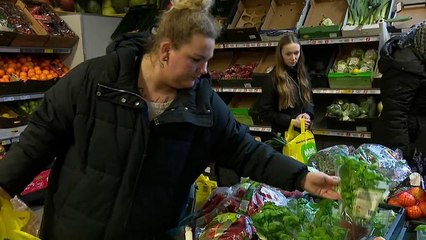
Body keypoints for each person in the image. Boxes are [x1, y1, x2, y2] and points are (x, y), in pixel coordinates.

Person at [0, 1, 340, 239]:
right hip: (75, 231)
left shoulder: (204, 104)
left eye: (208, 60)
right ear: (165, 51)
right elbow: (36, 143)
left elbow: (245, 151)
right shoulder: (94, 81)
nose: (205, 70)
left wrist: (302, 177)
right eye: (196, 60)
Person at [372, 21, 426, 174]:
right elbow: (395, 115)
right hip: (404, 139)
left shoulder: (420, 53)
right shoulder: (405, 66)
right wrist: (403, 156)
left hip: (416, 135)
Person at [249, 33, 314, 134]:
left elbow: (309, 100)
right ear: (280, 54)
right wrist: (291, 121)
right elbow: (264, 112)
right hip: (282, 136)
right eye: (288, 54)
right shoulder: (271, 79)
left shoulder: (302, 74)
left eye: (296, 53)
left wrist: (307, 114)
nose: (293, 58)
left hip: (304, 134)